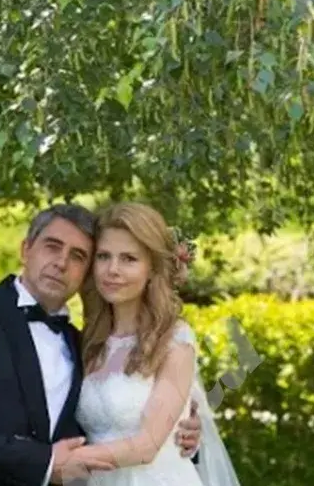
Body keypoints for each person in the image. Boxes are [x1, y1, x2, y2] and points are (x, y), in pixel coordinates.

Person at [0, 203, 201, 486]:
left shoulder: (80, 342)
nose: (61, 263)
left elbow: (120, 430)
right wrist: (46, 461)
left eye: (78, 256)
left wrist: (177, 431)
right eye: (52, 247)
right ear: (26, 250)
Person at [72, 202, 242, 486]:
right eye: (103, 256)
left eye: (129, 259)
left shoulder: (174, 340)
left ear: (152, 268)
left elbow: (147, 445)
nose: (112, 269)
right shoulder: (90, 340)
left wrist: (60, 461)